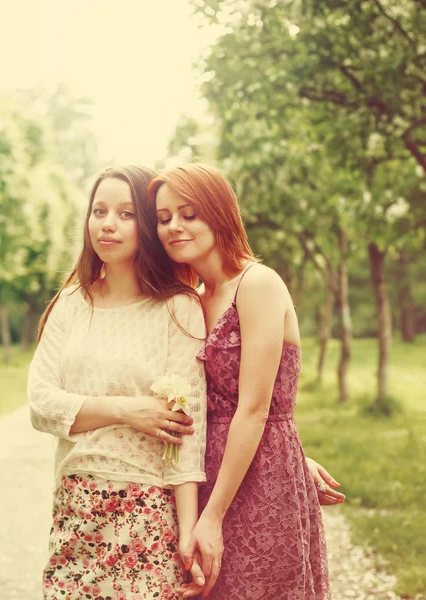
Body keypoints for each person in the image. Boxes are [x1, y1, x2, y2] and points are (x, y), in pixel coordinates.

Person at [149, 162, 343, 599]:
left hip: (259, 477)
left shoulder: (258, 284)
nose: (174, 227)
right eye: (164, 219)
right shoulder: (192, 300)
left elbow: (257, 408)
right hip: (204, 470)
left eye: (188, 213)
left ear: (219, 214)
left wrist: (214, 515)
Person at [28, 166, 208, 600]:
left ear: (147, 224)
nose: (107, 224)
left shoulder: (178, 309)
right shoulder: (71, 304)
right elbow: (40, 404)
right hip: (77, 503)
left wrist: (188, 534)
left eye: (125, 213)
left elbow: (189, 432)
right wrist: (128, 409)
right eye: (99, 211)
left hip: (146, 508)